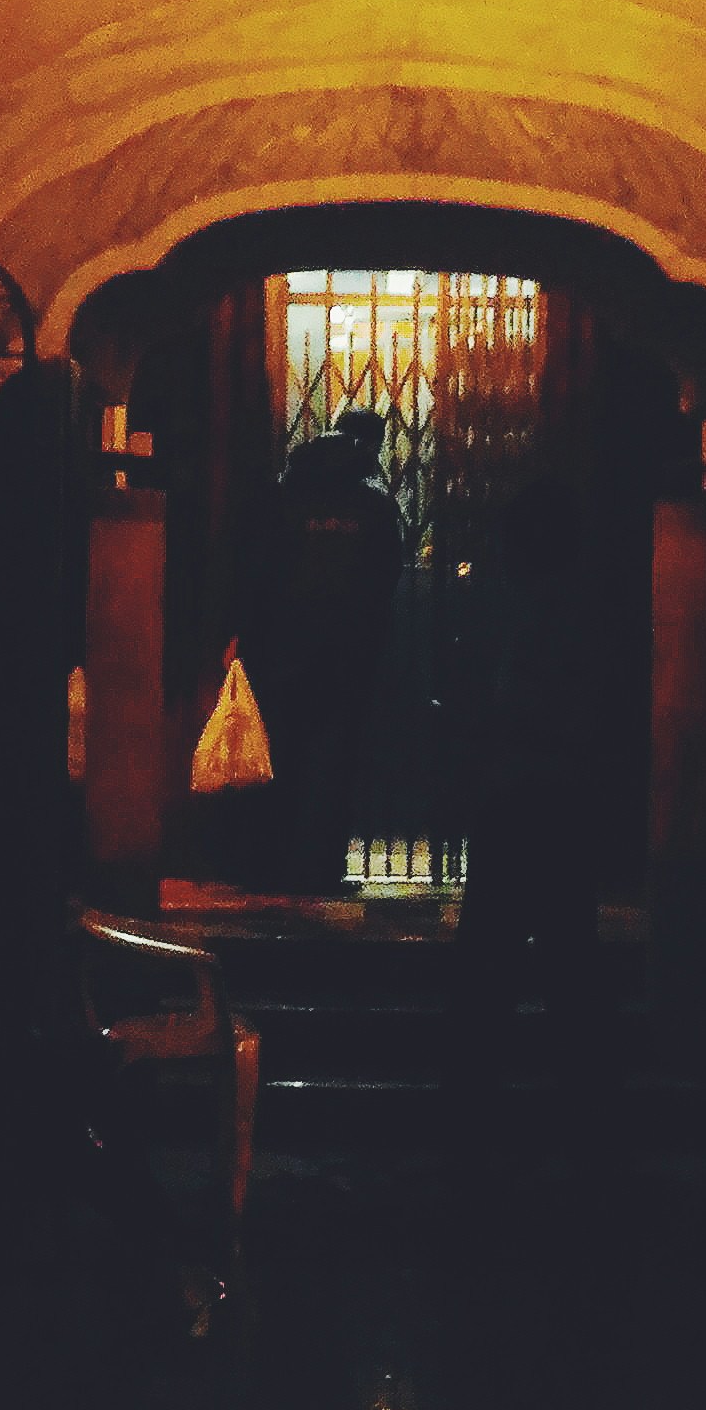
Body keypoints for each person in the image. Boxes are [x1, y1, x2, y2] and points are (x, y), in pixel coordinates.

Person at [446, 474, 606, 1087]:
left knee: (494, 956)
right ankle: (578, 1094)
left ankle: (476, 1090)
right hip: (560, 800)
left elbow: (504, 705)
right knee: (568, 957)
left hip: (518, 800)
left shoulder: (520, 619)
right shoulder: (579, 615)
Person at [245, 409, 407, 893]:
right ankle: (322, 867)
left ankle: (274, 865)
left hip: (285, 649)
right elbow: (386, 576)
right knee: (335, 761)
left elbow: (259, 572)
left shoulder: (284, 499)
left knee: (284, 756)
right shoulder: (374, 506)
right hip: (349, 654)